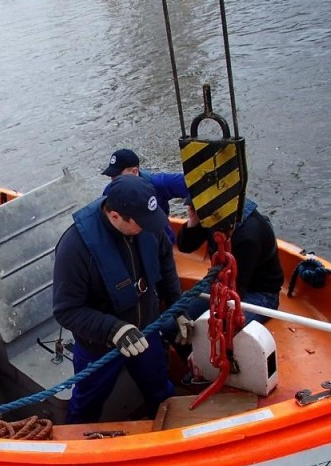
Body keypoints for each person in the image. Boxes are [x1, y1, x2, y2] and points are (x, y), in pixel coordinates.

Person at [53, 176, 187, 424]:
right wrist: (114, 329)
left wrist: (177, 306)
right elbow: (66, 310)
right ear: (115, 217)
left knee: (160, 389)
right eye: (141, 224)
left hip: (146, 331)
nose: (148, 228)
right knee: (86, 405)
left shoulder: (149, 226)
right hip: (100, 347)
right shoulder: (75, 248)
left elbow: (166, 264)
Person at [176, 196, 284, 325]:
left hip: (258, 292)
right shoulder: (209, 215)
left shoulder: (248, 235)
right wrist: (193, 222)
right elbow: (185, 247)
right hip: (220, 281)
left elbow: (236, 288)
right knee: (173, 322)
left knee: (226, 328)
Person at [101, 148, 189, 243]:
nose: (112, 179)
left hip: (162, 242)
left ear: (134, 171)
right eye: (111, 176)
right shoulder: (110, 191)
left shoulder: (158, 183)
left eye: (117, 175)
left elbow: (194, 184)